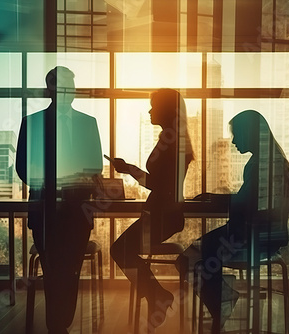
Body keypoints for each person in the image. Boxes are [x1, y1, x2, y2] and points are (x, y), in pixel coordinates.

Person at [179, 110, 289, 333]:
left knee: (188, 260)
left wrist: (214, 199)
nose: (233, 141)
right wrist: (218, 198)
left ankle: (222, 302)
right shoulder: (271, 160)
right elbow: (249, 201)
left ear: (249, 133)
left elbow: (245, 203)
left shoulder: (260, 164)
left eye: (236, 134)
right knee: (198, 258)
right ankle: (222, 302)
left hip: (248, 238)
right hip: (262, 236)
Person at [16, 66, 103, 334]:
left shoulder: (88, 123)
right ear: (51, 89)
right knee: (53, 270)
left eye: (72, 85)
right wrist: (54, 181)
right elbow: (22, 167)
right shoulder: (32, 123)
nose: (71, 91)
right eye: (65, 85)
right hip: (45, 212)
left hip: (77, 212)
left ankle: (60, 323)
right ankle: (58, 325)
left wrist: (75, 180)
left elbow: (96, 166)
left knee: (70, 271)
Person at [109, 88, 194, 328]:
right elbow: (162, 184)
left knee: (119, 250)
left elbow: (158, 184)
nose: (149, 110)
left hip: (162, 215)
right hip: (165, 214)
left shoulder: (171, 140)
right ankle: (157, 294)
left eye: (154, 106)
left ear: (166, 110)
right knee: (121, 250)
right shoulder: (177, 138)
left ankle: (157, 295)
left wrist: (131, 170)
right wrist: (130, 170)